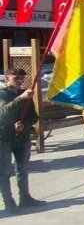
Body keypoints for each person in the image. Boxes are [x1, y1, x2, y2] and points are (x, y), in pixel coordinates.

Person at [0, 68, 42, 215]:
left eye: (22, 78)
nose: (20, 81)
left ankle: (25, 197)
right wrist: (21, 98)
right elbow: (4, 111)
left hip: (22, 137)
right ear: (7, 78)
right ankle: (9, 202)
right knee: (5, 171)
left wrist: (25, 124)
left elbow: (34, 116)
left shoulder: (25, 94)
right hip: (4, 137)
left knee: (22, 169)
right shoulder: (2, 94)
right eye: (16, 78)